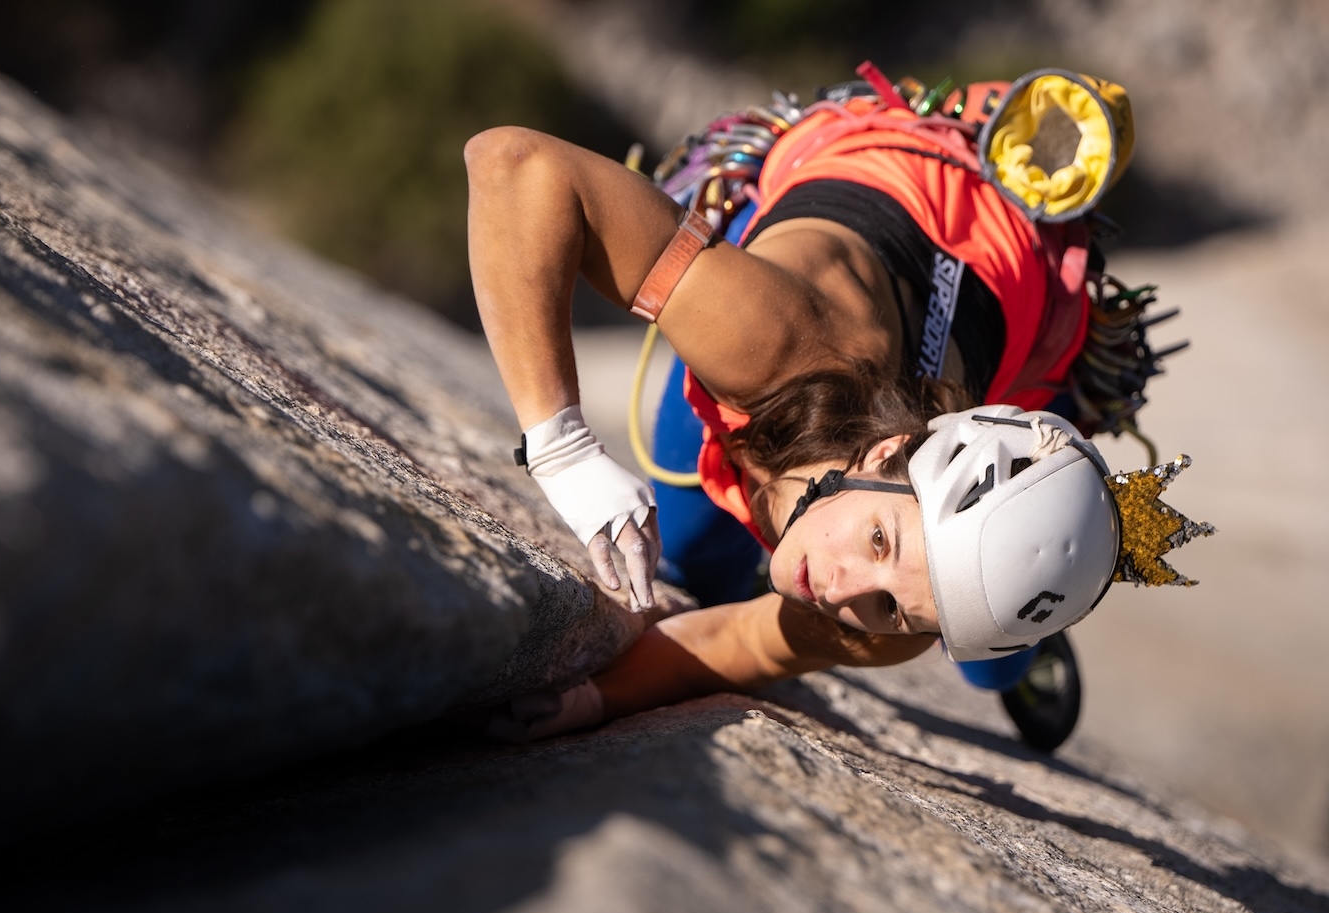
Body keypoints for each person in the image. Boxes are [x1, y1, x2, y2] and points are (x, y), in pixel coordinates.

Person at [465, 66, 1205, 746]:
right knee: (690, 568)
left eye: (886, 606)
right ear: (887, 453)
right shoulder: (768, 340)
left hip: (991, 341)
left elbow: (752, 644)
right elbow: (514, 166)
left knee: (984, 657)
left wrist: (596, 700)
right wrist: (561, 447)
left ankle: (1018, 656)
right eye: (879, 542)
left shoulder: (902, 614)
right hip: (961, 228)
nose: (843, 590)